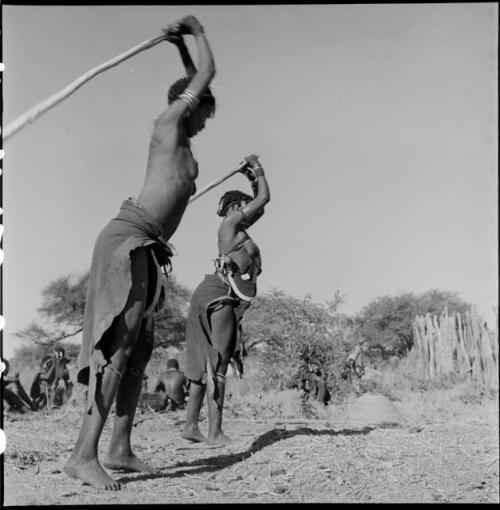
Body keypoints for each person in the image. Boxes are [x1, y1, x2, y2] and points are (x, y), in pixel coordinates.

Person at [63, 15, 216, 490]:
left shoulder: (185, 141)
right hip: (126, 240)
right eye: (206, 110)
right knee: (117, 349)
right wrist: (196, 32)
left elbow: (196, 83)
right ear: (189, 105)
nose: (209, 119)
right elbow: (204, 78)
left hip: (149, 247)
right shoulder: (168, 124)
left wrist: (178, 50)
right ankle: (82, 456)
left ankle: (120, 448)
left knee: (139, 351)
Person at [182, 155, 270, 446]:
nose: (249, 211)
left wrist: (250, 176)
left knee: (199, 367)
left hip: (205, 294)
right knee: (218, 366)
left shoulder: (233, 231)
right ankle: (215, 433)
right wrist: (258, 169)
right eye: (243, 206)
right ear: (234, 208)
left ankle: (191, 426)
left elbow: (261, 204)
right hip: (220, 296)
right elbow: (264, 199)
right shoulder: (231, 225)